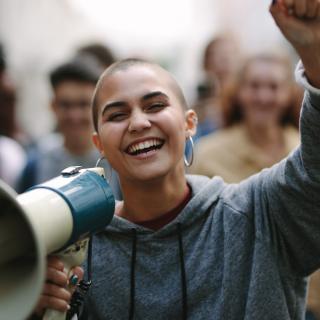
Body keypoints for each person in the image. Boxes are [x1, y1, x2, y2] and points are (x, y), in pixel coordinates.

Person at [31, 1, 320, 319]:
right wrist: (30, 302)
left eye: (155, 106)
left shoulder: (261, 214)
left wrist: (316, 58)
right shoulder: (76, 248)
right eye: (117, 114)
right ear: (98, 142)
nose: (138, 123)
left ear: (189, 123)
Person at [17, 56, 122, 200]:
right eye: (65, 105)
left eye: (83, 104)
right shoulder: (35, 165)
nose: (74, 115)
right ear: (52, 106)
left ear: (98, 107)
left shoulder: (118, 163)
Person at [190, 53, 302, 182]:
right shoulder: (208, 155)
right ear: (238, 91)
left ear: (289, 94)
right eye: (254, 86)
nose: (263, 97)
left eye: (274, 87)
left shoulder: (304, 152)